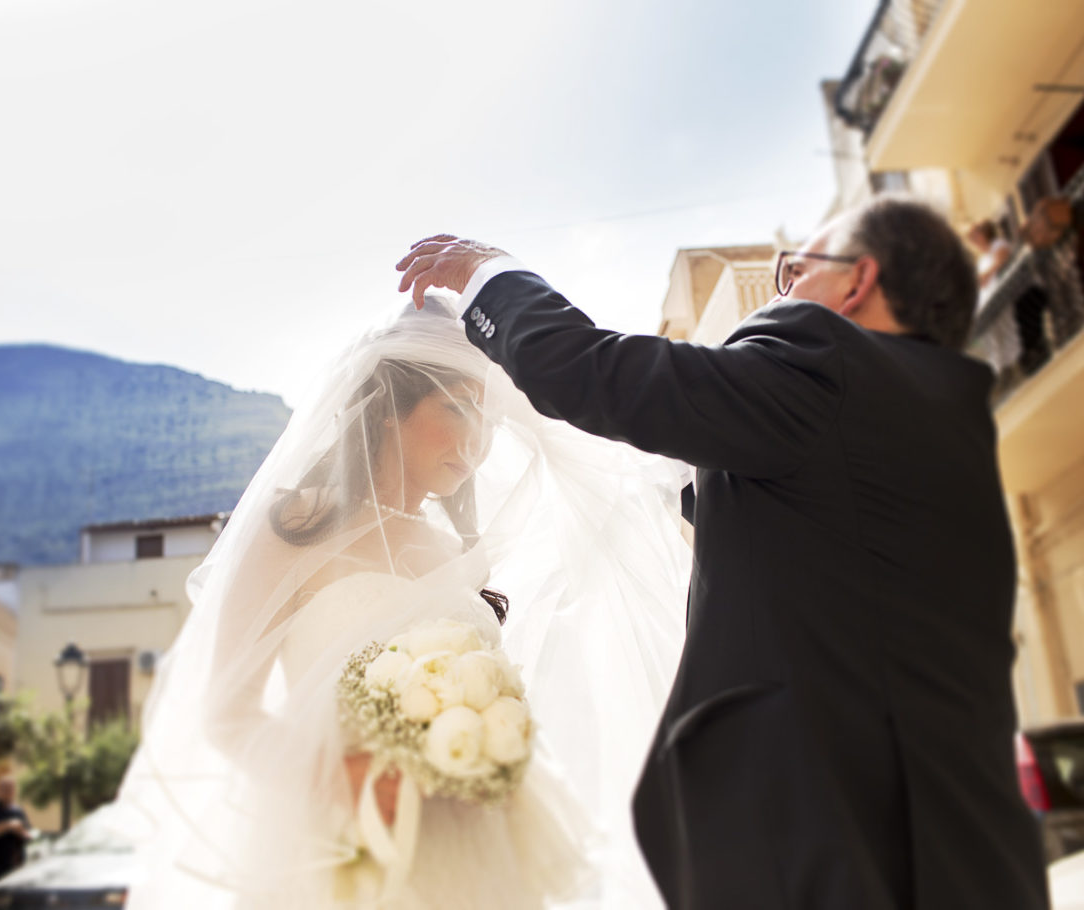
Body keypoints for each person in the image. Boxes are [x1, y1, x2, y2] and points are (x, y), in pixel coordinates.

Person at [395, 194, 1051, 910]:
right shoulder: (949, 423)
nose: (784, 289)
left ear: (857, 282)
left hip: (826, 838)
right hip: (969, 848)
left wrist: (493, 276)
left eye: (794, 270)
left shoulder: (822, 353)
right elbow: (818, 539)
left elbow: (592, 372)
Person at [110, 296, 690, 908]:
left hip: (475, 849)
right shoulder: (295, 525)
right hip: (343, 849)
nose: (476, 442)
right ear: (390, 409)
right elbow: (228, 715)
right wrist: (350, 782)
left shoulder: (454, 552)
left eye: (489, 421)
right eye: (458, 408)